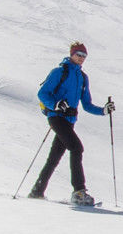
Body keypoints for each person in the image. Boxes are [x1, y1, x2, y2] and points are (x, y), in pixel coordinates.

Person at [31, 41, 112, 204]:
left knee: (54, 158)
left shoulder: (83, 78)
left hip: (70, 120)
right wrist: (56, 104)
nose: (81, 58)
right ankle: (79, 192)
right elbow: (42, 93)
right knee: (76, 148)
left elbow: (87, 105)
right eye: (78, 54)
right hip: (56, 117)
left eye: (84, 56)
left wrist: (104, 110)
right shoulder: (59, 72)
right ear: (71, 54)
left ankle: (37, 191)